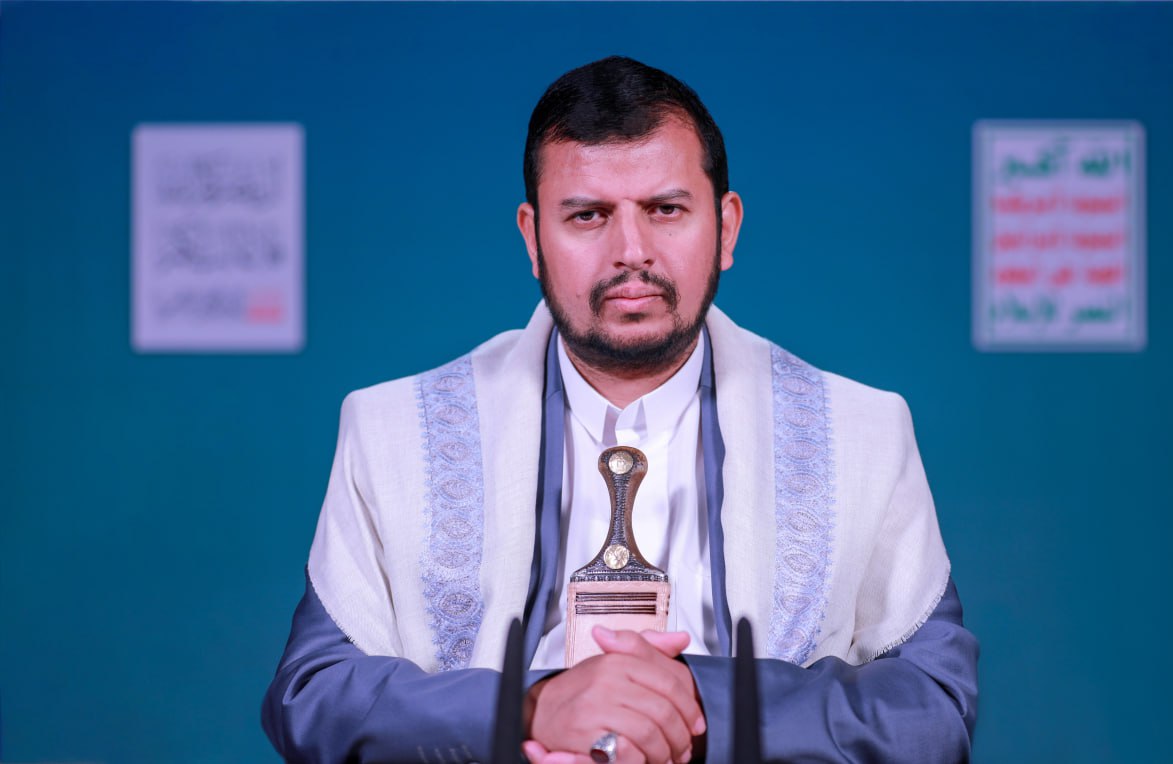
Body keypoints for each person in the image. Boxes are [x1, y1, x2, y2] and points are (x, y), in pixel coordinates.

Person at [262, 55, 978, 764]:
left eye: (666, 210)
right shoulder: (391, 429)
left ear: (726, 227)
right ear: (532, 238)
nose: (631, 252)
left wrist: (694, 703)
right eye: (588, 216)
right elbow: (314, 697)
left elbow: (932, 708)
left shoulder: (862, 432)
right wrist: (533, 707)